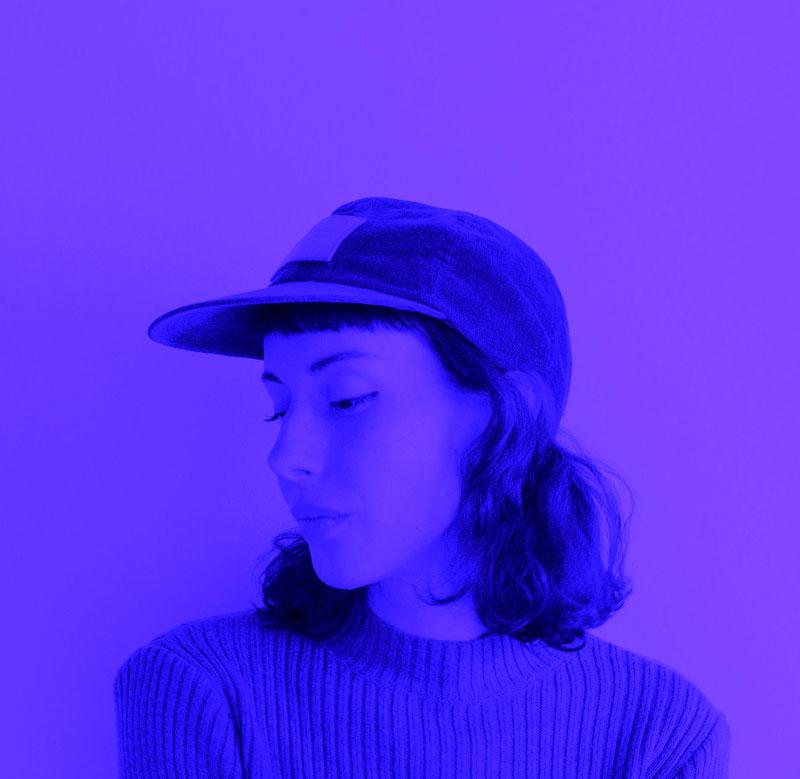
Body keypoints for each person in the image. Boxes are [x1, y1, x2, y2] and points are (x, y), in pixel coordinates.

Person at [113, 196, 731, 777]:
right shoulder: (201, 688)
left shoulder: (657, 731)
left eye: (347, 398)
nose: (286, 457)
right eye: (279, 407)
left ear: (501, 414)